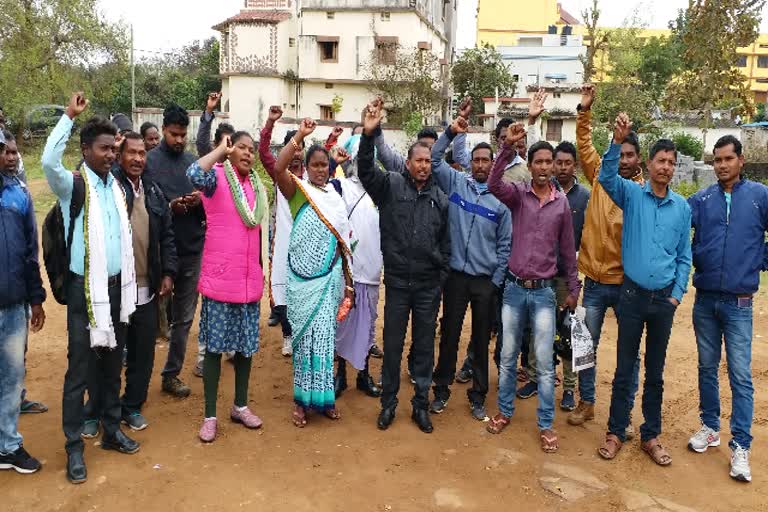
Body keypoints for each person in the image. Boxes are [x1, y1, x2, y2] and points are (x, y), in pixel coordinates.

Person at [43, 92, 140, 484]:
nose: (110, 155)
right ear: (85, 150)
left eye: (111, 149)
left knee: (112, 364)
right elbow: (49, 160)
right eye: (103, 149)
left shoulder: (114, 188)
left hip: (117, 290)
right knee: (80, 370)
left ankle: (111, 429)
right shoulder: (73, 186)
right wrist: (68, 115)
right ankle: (73, 448)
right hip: (87, 292)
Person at [597, 114, 692, 467]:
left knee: (655, 372)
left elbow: (685, 256)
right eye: (660, 161)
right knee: (624, 369)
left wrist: (676, 295)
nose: (665, 167)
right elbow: (605, 177)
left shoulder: (682, 208)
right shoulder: (632, 195)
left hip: (663, 302)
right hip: (633, 298)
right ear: (648, 164)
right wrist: (615, 141)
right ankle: (615, 431)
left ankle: (651, 435)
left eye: (671, 162)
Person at [486, 125, 580, 454]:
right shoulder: (518, 197)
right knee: (509, 357)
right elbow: (494, 183)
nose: (542, 167)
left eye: (547, 162)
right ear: (531, 165)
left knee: (543, 361)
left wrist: (573, 287)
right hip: (513, 289)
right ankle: (505, 412)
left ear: (554, 166)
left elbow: (568, 251)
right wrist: (507, 148)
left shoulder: (561, 205)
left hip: (543, 293)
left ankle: (545, 423)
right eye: (537, 161)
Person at [359, 102, 450, 434]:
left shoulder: (440, 198)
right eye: (418, 161)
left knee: (424, 347)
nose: (424, 166)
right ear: (408, 163)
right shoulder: (390, 186)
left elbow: (446, 244)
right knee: (393, 347)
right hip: (397, 284)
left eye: (428, 161)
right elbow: (367, 171)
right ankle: (389, 405)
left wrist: (439, 278)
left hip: (428, 287)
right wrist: (369, 135)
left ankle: (420, 406)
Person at [687, 135, 767, 482]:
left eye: (727, 159)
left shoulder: (760, 197)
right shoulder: (702, 199)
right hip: (705, 298)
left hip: (739, 302)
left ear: (741, 160)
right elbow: (676, 226)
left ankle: (741, 445)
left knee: (740, 374)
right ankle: (709, 426)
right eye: (717, 160)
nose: (721, 165)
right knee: (707, 367)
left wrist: (757, 262)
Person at [566, 85, 644, 437]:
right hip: (594, 283)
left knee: (628, 354)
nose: (624, 160)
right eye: (620, 153)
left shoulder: (645, 195)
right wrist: (585, 110)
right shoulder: (600, 175)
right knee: (585, 345)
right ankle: (587, 401)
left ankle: (622, 415)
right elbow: (584, 144)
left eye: (630, 155)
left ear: (639, 159)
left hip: (628, 286)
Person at [89, 132, 177, 432]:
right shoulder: (110, 188)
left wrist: (167, 273)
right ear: (119, 154)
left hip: (148, 289)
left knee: (143, 354)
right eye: (131, 153)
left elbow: (167, 235)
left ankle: (132, 406)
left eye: (142, 153)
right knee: (109, 355)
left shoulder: (152, 191)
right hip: (116, 290)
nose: (138, 158)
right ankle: (99, 410)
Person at [186, 130, 269, 441]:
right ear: (231, 151)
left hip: (248, 282)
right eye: (241, 148)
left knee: (246, 349)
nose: (247, 153)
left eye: (251, 150)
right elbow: (193, 172)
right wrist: (220, 150)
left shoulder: (258, 188)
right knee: (215, 351)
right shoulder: (216, 179)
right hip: (221, 281)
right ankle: (209, 415)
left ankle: (240, 406)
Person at [429, 113, 511, 422]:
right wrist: (451, 132)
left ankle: (478, 396)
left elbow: (505, 246)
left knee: (479, 341)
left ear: (492, 164)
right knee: (449, 335)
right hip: (455, 278)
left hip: (484, 282)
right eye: (475, 159)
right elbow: (436, 160)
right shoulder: (457, 183)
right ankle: (441, 390)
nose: (479, 165)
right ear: (469, 162)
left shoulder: (501, 201)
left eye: (484, 160)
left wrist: (496, 282)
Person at [273, 118, 354, 427]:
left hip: (329, 279)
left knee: (324, 340)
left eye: (324, 165)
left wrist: (348, 284)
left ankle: (325, 400)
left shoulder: (333, 200)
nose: (320, 170)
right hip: (301, 281)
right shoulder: (299, 192)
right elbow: (279, 169)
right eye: (315, 165)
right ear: (306, 167)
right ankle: (300, 402)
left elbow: (343, 246)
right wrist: (299, 136)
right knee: (303, 342)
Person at [516, 141, 590, 411]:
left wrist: (574, 285)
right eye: (556, 162)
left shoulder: (584, 198)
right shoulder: (540, 191)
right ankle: (535, 377)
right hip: (540, 275)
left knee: (568, 332)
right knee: (539, 331)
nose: (560, 167)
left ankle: (569, 388)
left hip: (565, 277)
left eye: (566, 163)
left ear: (575, 165)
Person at [144, 104, 201, 399]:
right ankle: (136, 376)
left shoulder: (193, 162)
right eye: (174, 134)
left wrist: (196, 201)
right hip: (156, 255)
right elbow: (144, 207)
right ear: (164, 129)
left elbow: (209, 200)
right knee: (145, 318)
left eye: (183, 134)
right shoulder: (149, 162)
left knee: (184, 318)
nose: (179, 140)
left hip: (191, 249)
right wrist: (170, 207)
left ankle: (171, 374)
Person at [0, 128, 47, 474]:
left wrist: (36, 298)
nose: (11, 156)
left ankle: (8, 446)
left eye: (14, 151)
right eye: (5, 151)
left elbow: (31, 251)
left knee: (12, 378)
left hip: (14, 304)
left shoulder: (19, 195)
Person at [332, 144, 384, 399]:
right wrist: (334, 164)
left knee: (367, 325)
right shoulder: (342, 188)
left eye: (369, 160)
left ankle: (363, 375)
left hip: (373, 269)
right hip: (348, 271)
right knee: (342, 324)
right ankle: (340, 375)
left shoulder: (381, 189)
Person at [190, 94, 235, 377]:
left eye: (234, 144)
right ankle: (204, 356)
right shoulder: (210, 171)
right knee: (211, 303)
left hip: (234, 249)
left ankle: (228, 348)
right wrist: (208, 111)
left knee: (231, 301)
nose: (230, 149)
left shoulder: (242, 175)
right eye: (225, 144)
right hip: (212, 243)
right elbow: (201, 143)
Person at [260, 105, 305, 357]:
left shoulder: (312, 176)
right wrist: (269, 124)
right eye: (291, 148)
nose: (296, 153)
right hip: (284, 245)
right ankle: (288, 335)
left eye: (299, 148)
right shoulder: (279, 175)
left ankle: (302, 332)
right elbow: (264, 151)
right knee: (285, 291)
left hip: (307, 246)